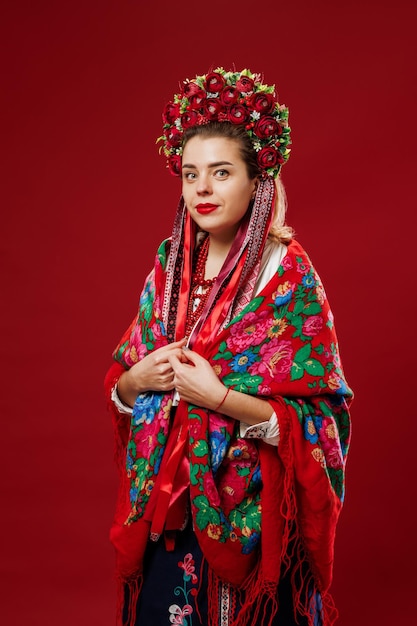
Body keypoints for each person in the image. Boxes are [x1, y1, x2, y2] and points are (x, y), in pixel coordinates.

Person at [104, 68, 352, 626]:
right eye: (191, 174)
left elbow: (322, 414)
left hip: (255, 512)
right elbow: (123, 379)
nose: (203, 189)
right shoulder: (170, 267)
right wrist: (136, 381)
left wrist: (217, 397)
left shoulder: (287, 276)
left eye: (221, 172)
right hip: (170, 513)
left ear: (257, 180)